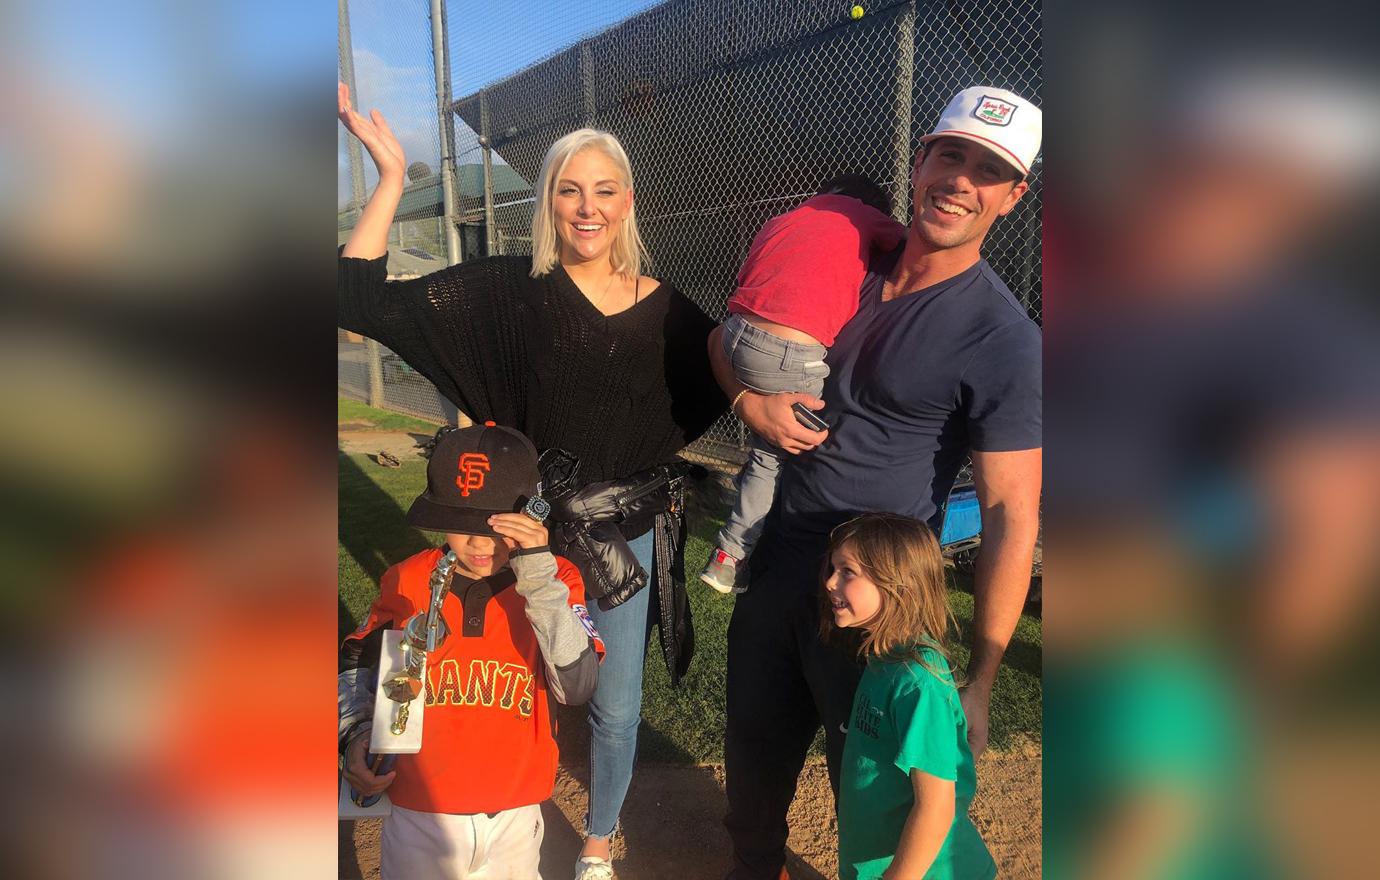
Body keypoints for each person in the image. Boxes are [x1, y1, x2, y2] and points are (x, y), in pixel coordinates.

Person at [337, 83, 724, 880]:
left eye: (604, 191)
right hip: (510, 527)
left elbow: (738, 380)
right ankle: (461, 802)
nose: (587, 208)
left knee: (610, 706)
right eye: (568, 190)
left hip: (617, 539)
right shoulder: (509, 292)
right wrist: (389, 178)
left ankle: (596, 838)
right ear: (548, 201)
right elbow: (356, 298)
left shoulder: (675, 314)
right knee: (471, 680)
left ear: (627, 203)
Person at [712, 86, 1043, 878]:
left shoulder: (1003, 337)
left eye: (989, 169)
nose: (962, 180)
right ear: (921, 158)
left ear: (1012, 195)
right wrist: (746, 400)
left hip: (880, 592)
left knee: (874, 791)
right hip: (783, 554)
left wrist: (984, 677)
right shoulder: (839, 257)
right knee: (753, 757)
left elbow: (1009, 511)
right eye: (952, 154)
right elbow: (727, 338)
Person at [339, 423, 604, 879]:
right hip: (419, 810)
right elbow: (356, 665)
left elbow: (577, 685)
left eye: (499, 526)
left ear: (533, 518)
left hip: (516, 813)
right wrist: (355, 733)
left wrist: (539, 579)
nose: (480, 543)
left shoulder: (555, 580)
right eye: (463, 525)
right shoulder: (406, 579)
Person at [699, 175, 906, 594]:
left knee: (766, 448)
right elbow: (904, 242)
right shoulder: (860, 215)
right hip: (789, 353)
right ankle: (730, 555)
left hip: (737, 334)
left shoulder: (785, 219)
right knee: (780, 455)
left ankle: (748, 516)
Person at [822, 513, 996, 880]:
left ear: (897, 585)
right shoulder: (885, 654)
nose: (830, 582)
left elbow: (936, 808)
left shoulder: (916, 681)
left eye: (847, 571)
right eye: (833, 568)